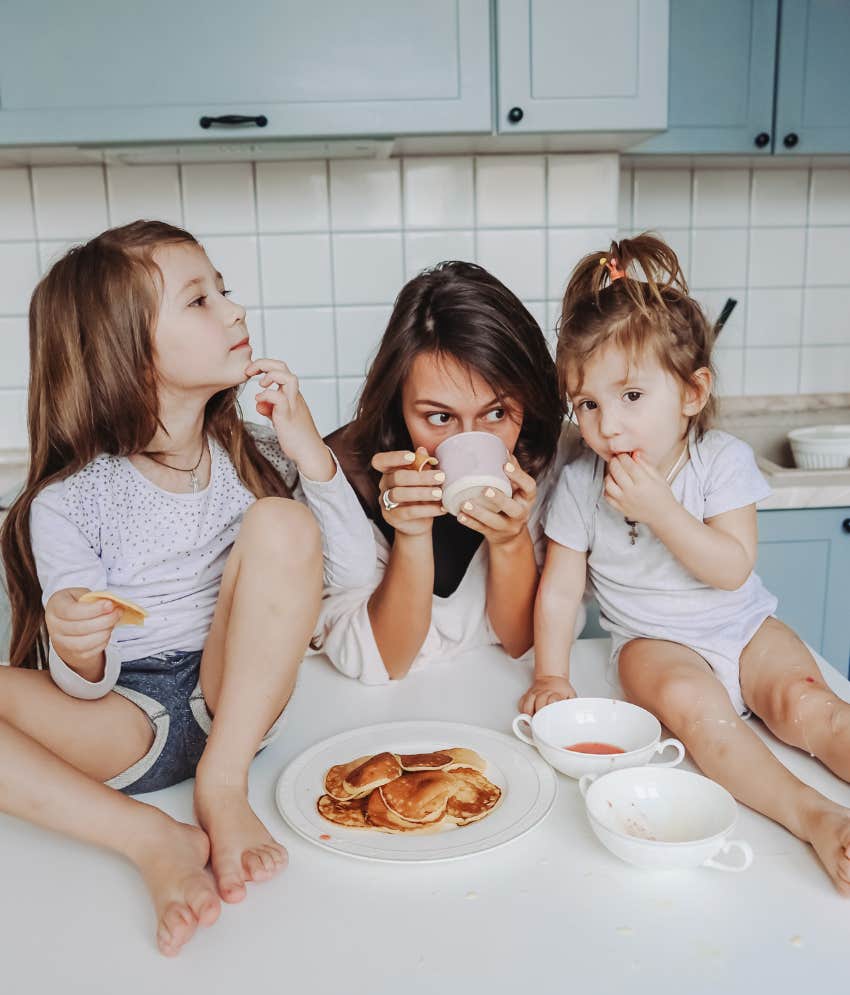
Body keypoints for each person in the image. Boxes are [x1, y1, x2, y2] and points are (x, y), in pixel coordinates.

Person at [0, 220, 374, 956]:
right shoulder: (67, 502)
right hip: (122, 719)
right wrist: (75, 649)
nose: (234, 311)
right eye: (200, 300)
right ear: (126, 352)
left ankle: (221, 786)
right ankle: (149, 837)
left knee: (282, 525)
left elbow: (354, 575)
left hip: (231, 700)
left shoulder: (254, 452)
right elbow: (82, 692)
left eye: (223, 291)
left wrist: (305, 447)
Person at [524, 232, 850, 894]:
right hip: (652, 642)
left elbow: (731, 568)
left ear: (692, 392)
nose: (608, 426)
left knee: (809, 707)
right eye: (587, 404)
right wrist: (552, 673)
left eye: (631, 397)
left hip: (744, 628)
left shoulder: (720, 460)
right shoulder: (583, 482)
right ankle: (816, 818)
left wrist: (662, 511)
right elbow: (560, 592)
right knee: (702, 718)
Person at [317, 260, 584, 683]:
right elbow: (387, 662)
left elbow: (520, 645)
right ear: (397, 405)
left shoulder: (558, 456)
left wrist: (510, 540)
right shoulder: (342, 475)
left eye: (496, 412)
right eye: (439, 418)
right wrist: (411, 534)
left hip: (498, 693)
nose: (470, 437)